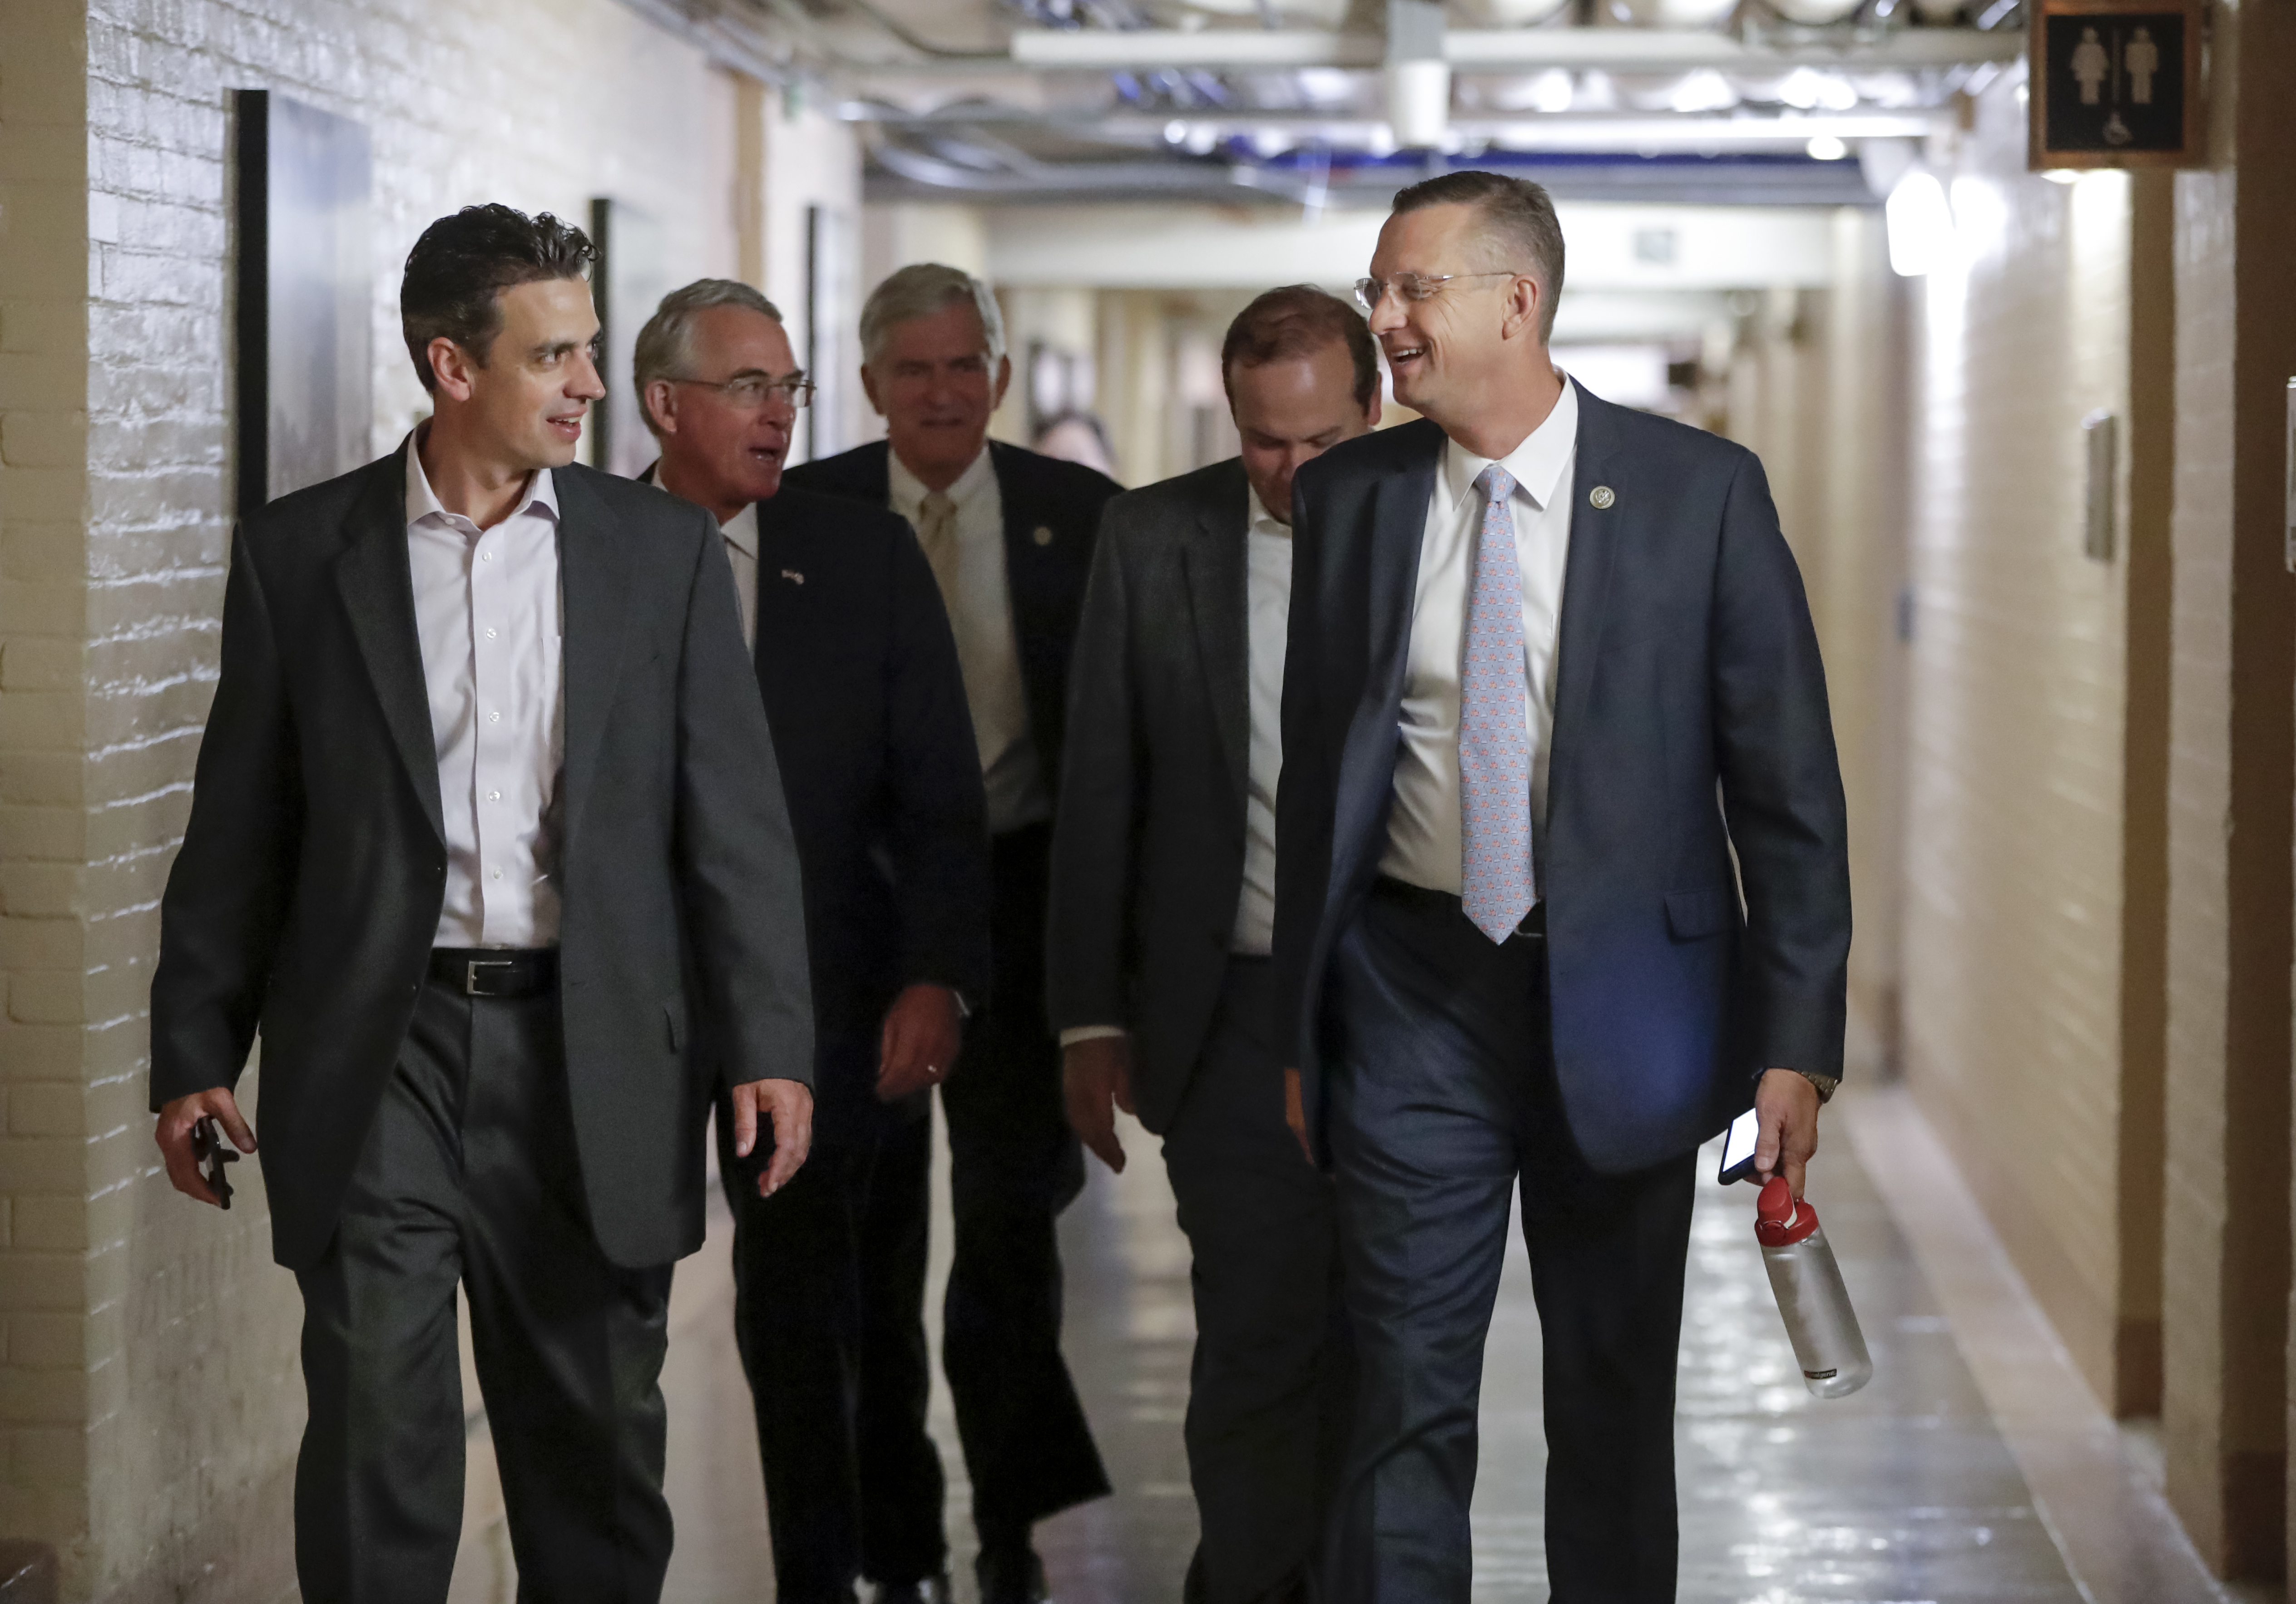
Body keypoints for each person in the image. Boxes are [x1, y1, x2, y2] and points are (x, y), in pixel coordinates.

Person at [147, 206, 815, 1603]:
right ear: (455, 369)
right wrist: (193, 1052)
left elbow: (735, 830)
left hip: (592, 1051)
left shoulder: (659, 554)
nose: (589, 386)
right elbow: (242, 828)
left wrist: (768, 1044)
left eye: (586, 353)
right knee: (379, 1444)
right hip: (383, 1054)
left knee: (592, 1454)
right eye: (556, 355)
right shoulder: (300, 556)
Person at [1269, 171, 1851, 1602]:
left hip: (1632, 1004)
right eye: (1378, 290)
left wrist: (1795, 1040)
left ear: (1516, 303)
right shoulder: (1353, 497)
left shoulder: (1697, 494)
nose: (1382, 323)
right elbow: (1319, 778)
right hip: (1410, 993)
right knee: (1401, 1392)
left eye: (1413, 290)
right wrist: (1303, 1023)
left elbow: (1784, 791)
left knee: (1608, 1402)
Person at [634, 278, 992, 1604]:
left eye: (788, 387)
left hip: (835, 1004)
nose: (779, 414)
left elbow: (939, 793)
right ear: (664, 405)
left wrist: (932, 976)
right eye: (748, 388)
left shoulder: (856, 555)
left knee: (832, 1321)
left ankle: (852, 1572)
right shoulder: (580, 547)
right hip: (632, 1003)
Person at [784, 262, 1118, 1604]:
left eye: (963, 365)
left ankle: (1008, 1526)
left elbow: (1117, 753)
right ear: (870, 385)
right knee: (871, 1248)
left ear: (998, 371)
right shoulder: (805, 514)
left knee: (1008, 1233)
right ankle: (898, 1541)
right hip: (855, 927)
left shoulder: (1078, 519)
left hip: (1024, 916)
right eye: (912, 370)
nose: (941, 392)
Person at [1048, 286, 1381, 1604]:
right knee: (1254, 1335)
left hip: (1403, 1011)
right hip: (1230, 1014)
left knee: (1388, 1343)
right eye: (1265, 444)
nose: (1295, 474)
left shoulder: (1448, 530)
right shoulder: (1154, 538)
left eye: (1321, 441)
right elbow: (1100, 789)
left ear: (1376, 409)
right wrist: (1088, 1017)